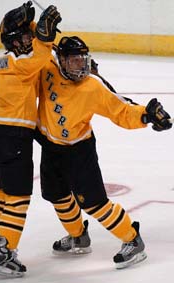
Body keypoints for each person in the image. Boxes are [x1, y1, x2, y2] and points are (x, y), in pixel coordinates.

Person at [35, 36, 172, 269]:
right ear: (62, 61)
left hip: (79, 150)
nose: (81, 66)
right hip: (50, 146)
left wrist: (146, 116)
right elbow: (34, 52)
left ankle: (132, 239)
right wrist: (40, 33)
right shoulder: (47, 68)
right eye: (74, 61)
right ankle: (78, 236)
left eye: (83, 60)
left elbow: (120, 110)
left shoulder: (92, 86)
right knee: (56, 195)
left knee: (94, 202)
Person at [0, 2, 61, 277]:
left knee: (0, 195)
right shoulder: (18, 62)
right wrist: (46, 37)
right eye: (26, 37)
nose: (30, 40)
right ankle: (4, 256)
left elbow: (38, 65)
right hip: (12, 136)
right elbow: (37, 61)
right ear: (13, 41)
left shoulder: (6, 61)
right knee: (18, 197)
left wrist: (44, 40)